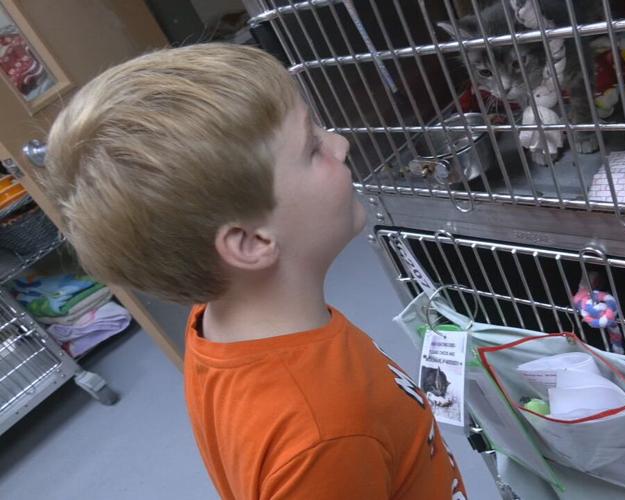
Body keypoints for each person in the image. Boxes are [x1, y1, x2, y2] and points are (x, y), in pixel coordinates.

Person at [42, 43, 466, 500]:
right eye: (312, 147)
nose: (340, 145)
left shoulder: (219, 323)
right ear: (251, 243)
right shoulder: (323, 438)